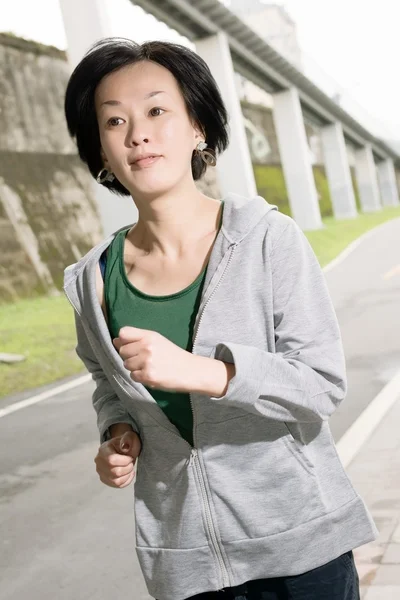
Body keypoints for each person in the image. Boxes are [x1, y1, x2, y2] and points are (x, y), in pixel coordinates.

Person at [63, 38, 377, 600]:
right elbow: (107, 384)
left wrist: (209, 373)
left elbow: (322, 384)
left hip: (301, 552)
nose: (138, 133)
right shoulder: (92, 282)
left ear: (198, 128)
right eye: (114, 121)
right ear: (102, 151)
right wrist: (117, 433)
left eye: (157, 111)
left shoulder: (266, 240)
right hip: (186, 566)